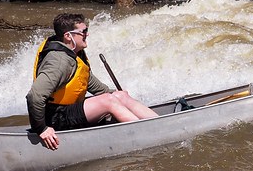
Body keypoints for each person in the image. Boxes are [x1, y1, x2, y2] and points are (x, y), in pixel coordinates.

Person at [27, 13, 158, 150]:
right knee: (108, 101)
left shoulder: (74, 53)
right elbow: (34, 96)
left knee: (119, 96)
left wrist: (118, 97)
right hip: (55, 118)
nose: (86, 35)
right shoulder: (59, 61)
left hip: (68, 111)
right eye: (83, 32)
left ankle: (159, 125)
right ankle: (148, 135)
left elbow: (96, 86)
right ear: (68, 36)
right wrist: (41, 129)